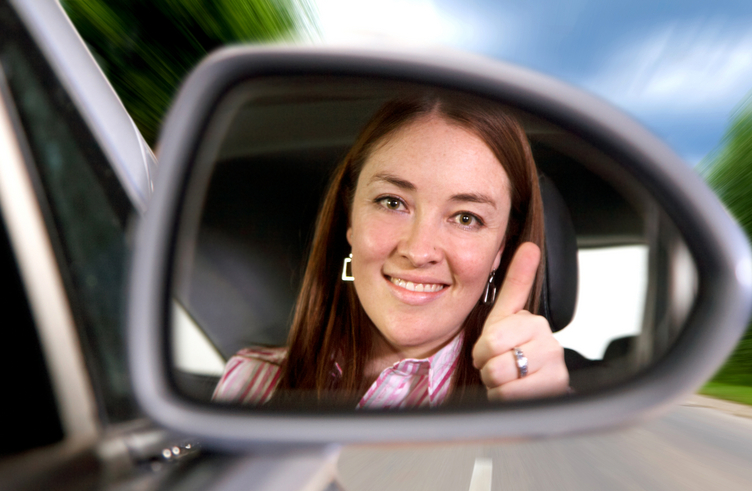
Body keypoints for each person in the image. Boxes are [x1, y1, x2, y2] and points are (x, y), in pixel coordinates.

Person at [213, 93, 570, 407]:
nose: (418, 251)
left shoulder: (545, 407)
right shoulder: (251, 382)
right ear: (349, 217)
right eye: (392, 202)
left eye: (466, 217)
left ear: (500, 250)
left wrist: (545, 425)